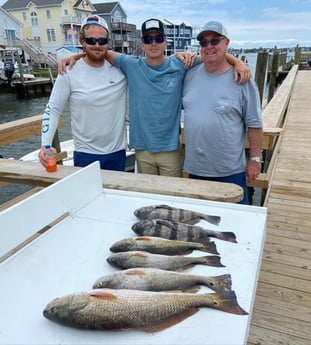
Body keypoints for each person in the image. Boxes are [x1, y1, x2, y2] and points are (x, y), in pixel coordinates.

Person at [60, 18, 250, 177]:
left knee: (171, 199)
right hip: (142, 150)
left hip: (170, 150)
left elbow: (212, 56)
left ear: (165, 42)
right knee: (148, 199)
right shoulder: (131, 64)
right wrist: (76, 56)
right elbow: (98, 50)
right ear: (142, 44)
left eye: (158, 38)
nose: (153, 43)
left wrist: (238, 62)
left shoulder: (181, 63)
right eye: (148, 39)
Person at [182, 21, 263, 205]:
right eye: (204, 43)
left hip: (230, 171)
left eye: (215, 41)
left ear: (226, 43)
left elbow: (255, 124)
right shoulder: (189, 75)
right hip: (196, 170)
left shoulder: (243, 80)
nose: (209, 46)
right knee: (201, 226)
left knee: (238, 224)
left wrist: (255, 159)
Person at [39, 15, 128, 171]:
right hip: (85, 153)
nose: (97, 45)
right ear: (82, 42)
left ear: (108, 42)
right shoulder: (69, 71)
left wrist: (179, 56)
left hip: (117, 152)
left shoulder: (121, 69)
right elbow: (53, 109)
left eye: (102, 41)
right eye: (91, 41)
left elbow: (150, 64)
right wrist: (46, 144)